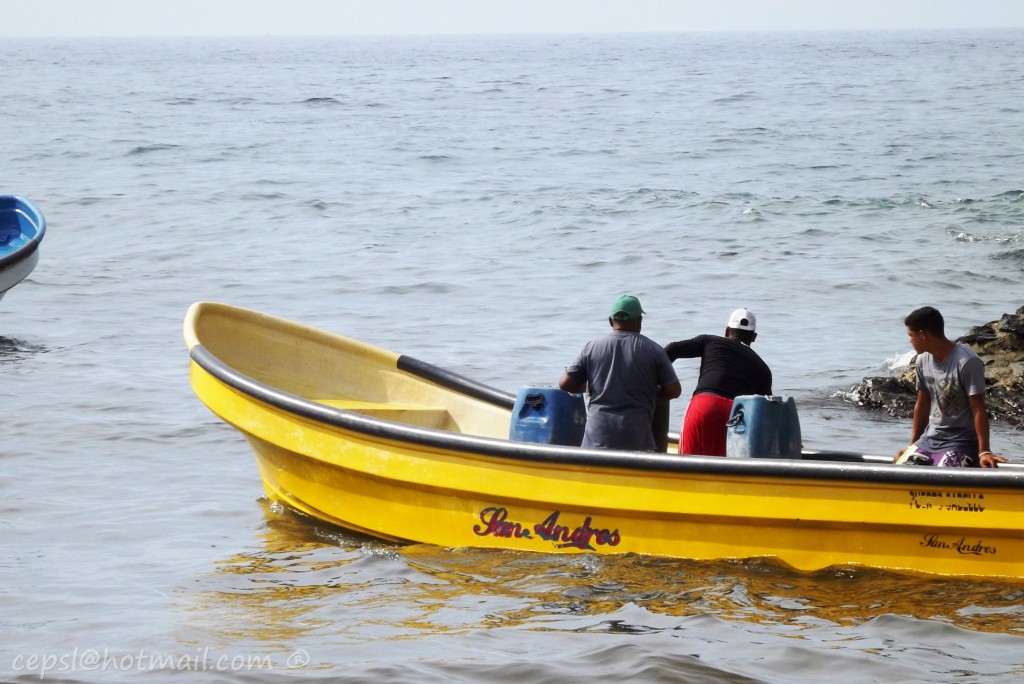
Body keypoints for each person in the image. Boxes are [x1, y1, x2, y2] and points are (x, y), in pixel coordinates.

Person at [559, 295, 682, 451]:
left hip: (598, 435)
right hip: (636, 437)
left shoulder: (591, 347)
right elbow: (673, 390)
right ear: (639, 321)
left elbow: (565, 383)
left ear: (611, 321)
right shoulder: (654, 350)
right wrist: (652, 390)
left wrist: (594, 385)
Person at [895, 306, 1006, 468]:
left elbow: (979, 409)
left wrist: (984, 451)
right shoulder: (922, 361)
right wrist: (911, 447)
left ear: (923, 335)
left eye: (911, 336)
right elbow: (922, 404)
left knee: (943, 473)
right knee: (902, 468)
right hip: (929, 440)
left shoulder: (967, 362)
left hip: (961, 442)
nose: (909, 341)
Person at [664, 308, 773, 456]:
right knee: (721, 466)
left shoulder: (709, 341)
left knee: (687, 463)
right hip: (734, 416)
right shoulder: (763, 369)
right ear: (754, 337)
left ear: (727, 331)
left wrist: (659, 382)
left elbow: (671, 349)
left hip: (704, 404)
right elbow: (767, 411)